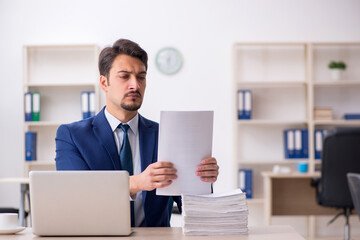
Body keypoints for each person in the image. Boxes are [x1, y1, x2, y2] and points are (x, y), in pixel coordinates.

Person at [55, 39, 219, 227]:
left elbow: (195, 209)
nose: (135, 85)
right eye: (124, 76)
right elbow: (76, 195)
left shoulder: (166, 134)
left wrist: (203, 181)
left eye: (141, 77)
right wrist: (136, 183)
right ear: (104, 82)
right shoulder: (72, 136)